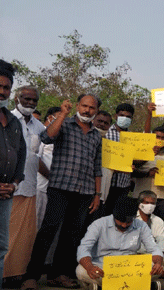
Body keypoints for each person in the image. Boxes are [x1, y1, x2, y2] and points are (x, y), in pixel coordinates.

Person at [23, 95, 103, 290]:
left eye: (91, 108)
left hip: (84, 191)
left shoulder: (96, 135)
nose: (87, 110)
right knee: (48, 231)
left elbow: (97, 167)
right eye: (84, 106)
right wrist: (62, 114)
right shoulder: (64, 124)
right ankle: (32, 276)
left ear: (96, 111)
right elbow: (47, 137)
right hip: (60, 187)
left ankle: (58, 275)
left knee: (71, 235)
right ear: (77, 106)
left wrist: (97, 194)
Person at [4, 86, 46, 285]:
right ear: (16, 98)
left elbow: (36, 158)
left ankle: (15, 274)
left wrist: (53, 177)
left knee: (24, 237)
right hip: (8, 187)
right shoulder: (6, 119)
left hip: (30, 187)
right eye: (26, 99)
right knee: (5, 234)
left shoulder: (39, 127)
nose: (30, 103)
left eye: (34, 100)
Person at [76, 197, 163, 290]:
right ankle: (142, 286)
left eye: (128, 222)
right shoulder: (99, 224)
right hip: (103, 268)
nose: (124, 225)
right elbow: (84, 248)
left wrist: (158, 263)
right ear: (114, 216)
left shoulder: (141, 226)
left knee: (156, 268)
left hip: (130, 268)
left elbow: (154, 249)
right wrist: (89, 267)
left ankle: (103, 287)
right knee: (81, 271)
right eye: (121, 221)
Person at [0, 61, 27, 290]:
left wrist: (14, 184)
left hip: (6, 196)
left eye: (6, 87)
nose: (2, 91)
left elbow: (21, 158)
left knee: (0, 248)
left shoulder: (14, 122)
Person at [132, 124, 164, 229]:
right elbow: (131, 171)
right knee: (138, 226)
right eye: (157, 137)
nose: (159, 139)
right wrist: (147, 173)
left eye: (163, 138)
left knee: (160, 226)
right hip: (141, 195)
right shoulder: (141, 152)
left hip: (161, 197)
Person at [103, 103, 137, 216]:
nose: (125, 118)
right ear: (116, 115)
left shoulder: (133, 138)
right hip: (106, 184)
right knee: (102, 215)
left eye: (128, 117)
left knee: (117, 216)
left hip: (123, 186)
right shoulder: (106, 133)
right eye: (122, 115)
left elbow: (135, 160)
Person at [135, 191, 164, 278]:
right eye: (147, 203)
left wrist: (158, 261)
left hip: (154, 256)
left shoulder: (158, 221)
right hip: (136, 254)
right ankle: (159, 273)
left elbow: (161, 244)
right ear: (140, 204)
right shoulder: (132, 219)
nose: (150, 206)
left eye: (152, 203)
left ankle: (156, 271)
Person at [35, 106, 61, 228]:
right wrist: (51, 177)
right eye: (59, 118)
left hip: (53, 188)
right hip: (41, 185)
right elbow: (36, 159)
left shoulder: (59, 136)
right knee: (35, 221)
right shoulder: (42, 133)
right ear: (50, 118)